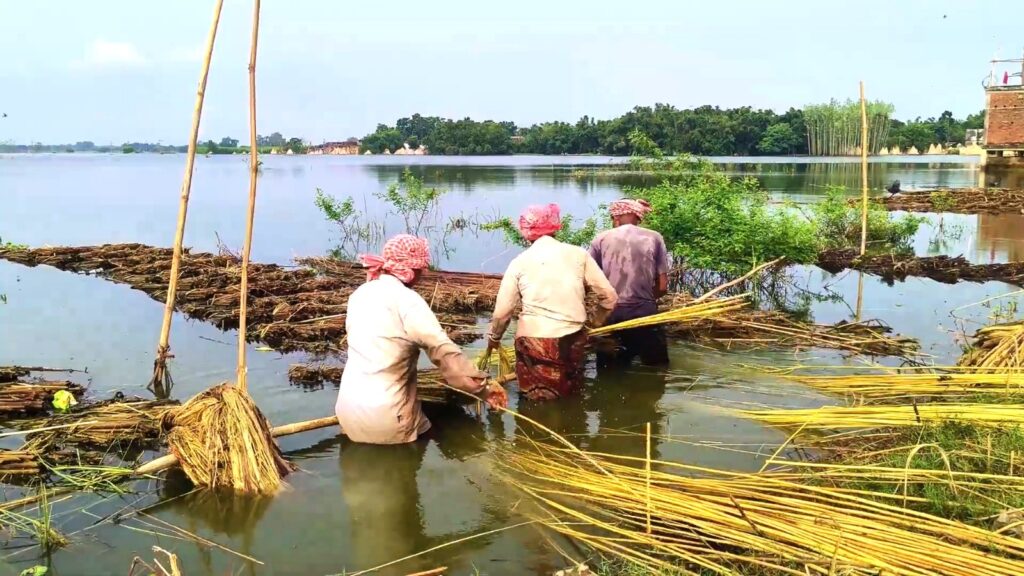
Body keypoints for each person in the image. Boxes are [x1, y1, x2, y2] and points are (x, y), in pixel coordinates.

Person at [336, 234, 507, 444]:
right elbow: (443, 352)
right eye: (421, 270)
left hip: (346, 409)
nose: (423, 275)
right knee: (425, 449)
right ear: (412, 271)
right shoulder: (408, 301)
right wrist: (484, 389)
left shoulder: (360, 294)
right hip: (389, 416)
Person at [485, 204, 618, 401]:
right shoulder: (578, 254)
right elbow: (609, 297)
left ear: (526, 233)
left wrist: (494, 338)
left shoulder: (519, 262)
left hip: (535, 340)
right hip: (573, 335)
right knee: (572, 394)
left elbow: (502, 313)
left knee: (538, 399)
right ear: (556, 227)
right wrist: (593, 324)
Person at [588, 198, 670, 367]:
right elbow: (662, 287)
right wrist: (646, 300)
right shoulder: (654, 237)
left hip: (611, 314)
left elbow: (589, 282)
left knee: (609, 372)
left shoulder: (600, 239)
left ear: (616, 218)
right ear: (637, 217)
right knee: (657, 368)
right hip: (645, 313)